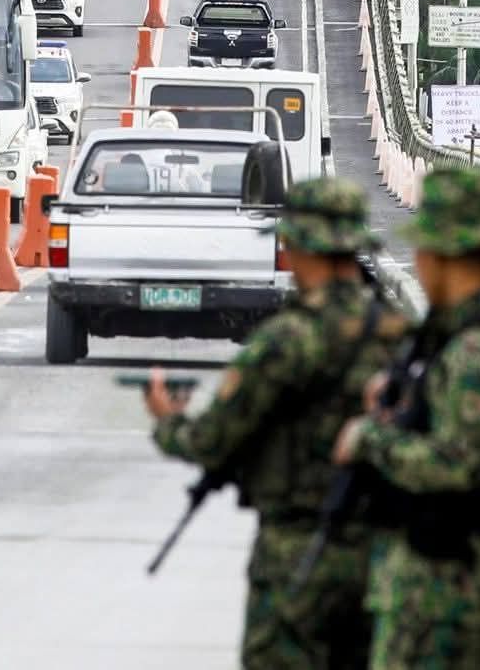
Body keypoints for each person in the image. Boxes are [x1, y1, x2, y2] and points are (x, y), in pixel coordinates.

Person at [143, 178, 411, 668]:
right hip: (382, 557)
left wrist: (169, 423)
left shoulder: (287, 338)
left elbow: (213, 439)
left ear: (304, 246)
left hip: (297, 553)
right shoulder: (400, 335)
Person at [331, 166, 480, 670]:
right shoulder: (460, 337)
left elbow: (458, 465)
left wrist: (371, 441)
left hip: (453, 595)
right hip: (438, 586)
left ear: (444, 257)